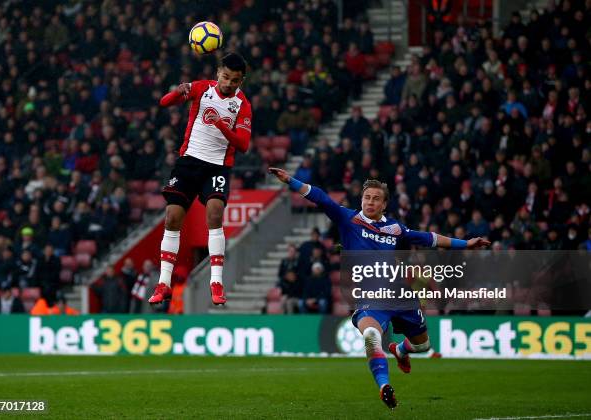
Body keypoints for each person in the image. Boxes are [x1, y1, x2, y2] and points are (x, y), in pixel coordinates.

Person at [269, 167, 489, 409]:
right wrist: (291, 181)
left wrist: (465, 244)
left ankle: (400, 350)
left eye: (375, 198)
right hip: (371, 297)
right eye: (366, 197)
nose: (370, 202)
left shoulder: (396, 228)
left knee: (422, 345)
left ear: (384, 205)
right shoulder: (348, 219)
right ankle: (384, 386)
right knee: (371, 337)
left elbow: (430, 238)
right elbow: (320, 197)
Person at [149, 52, 252, 307]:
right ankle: (164, 283)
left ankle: (216, 282)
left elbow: (243, 144)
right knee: (173, 216)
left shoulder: (243, 105)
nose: (229, 83)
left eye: (235, 80)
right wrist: (178, 91)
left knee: (215, 212)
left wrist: (221, 124)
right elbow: (164, 102)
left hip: (217, 166)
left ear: (242, 81)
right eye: (226, 77)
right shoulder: (201, 89)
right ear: (218, 72)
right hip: (189, 161)